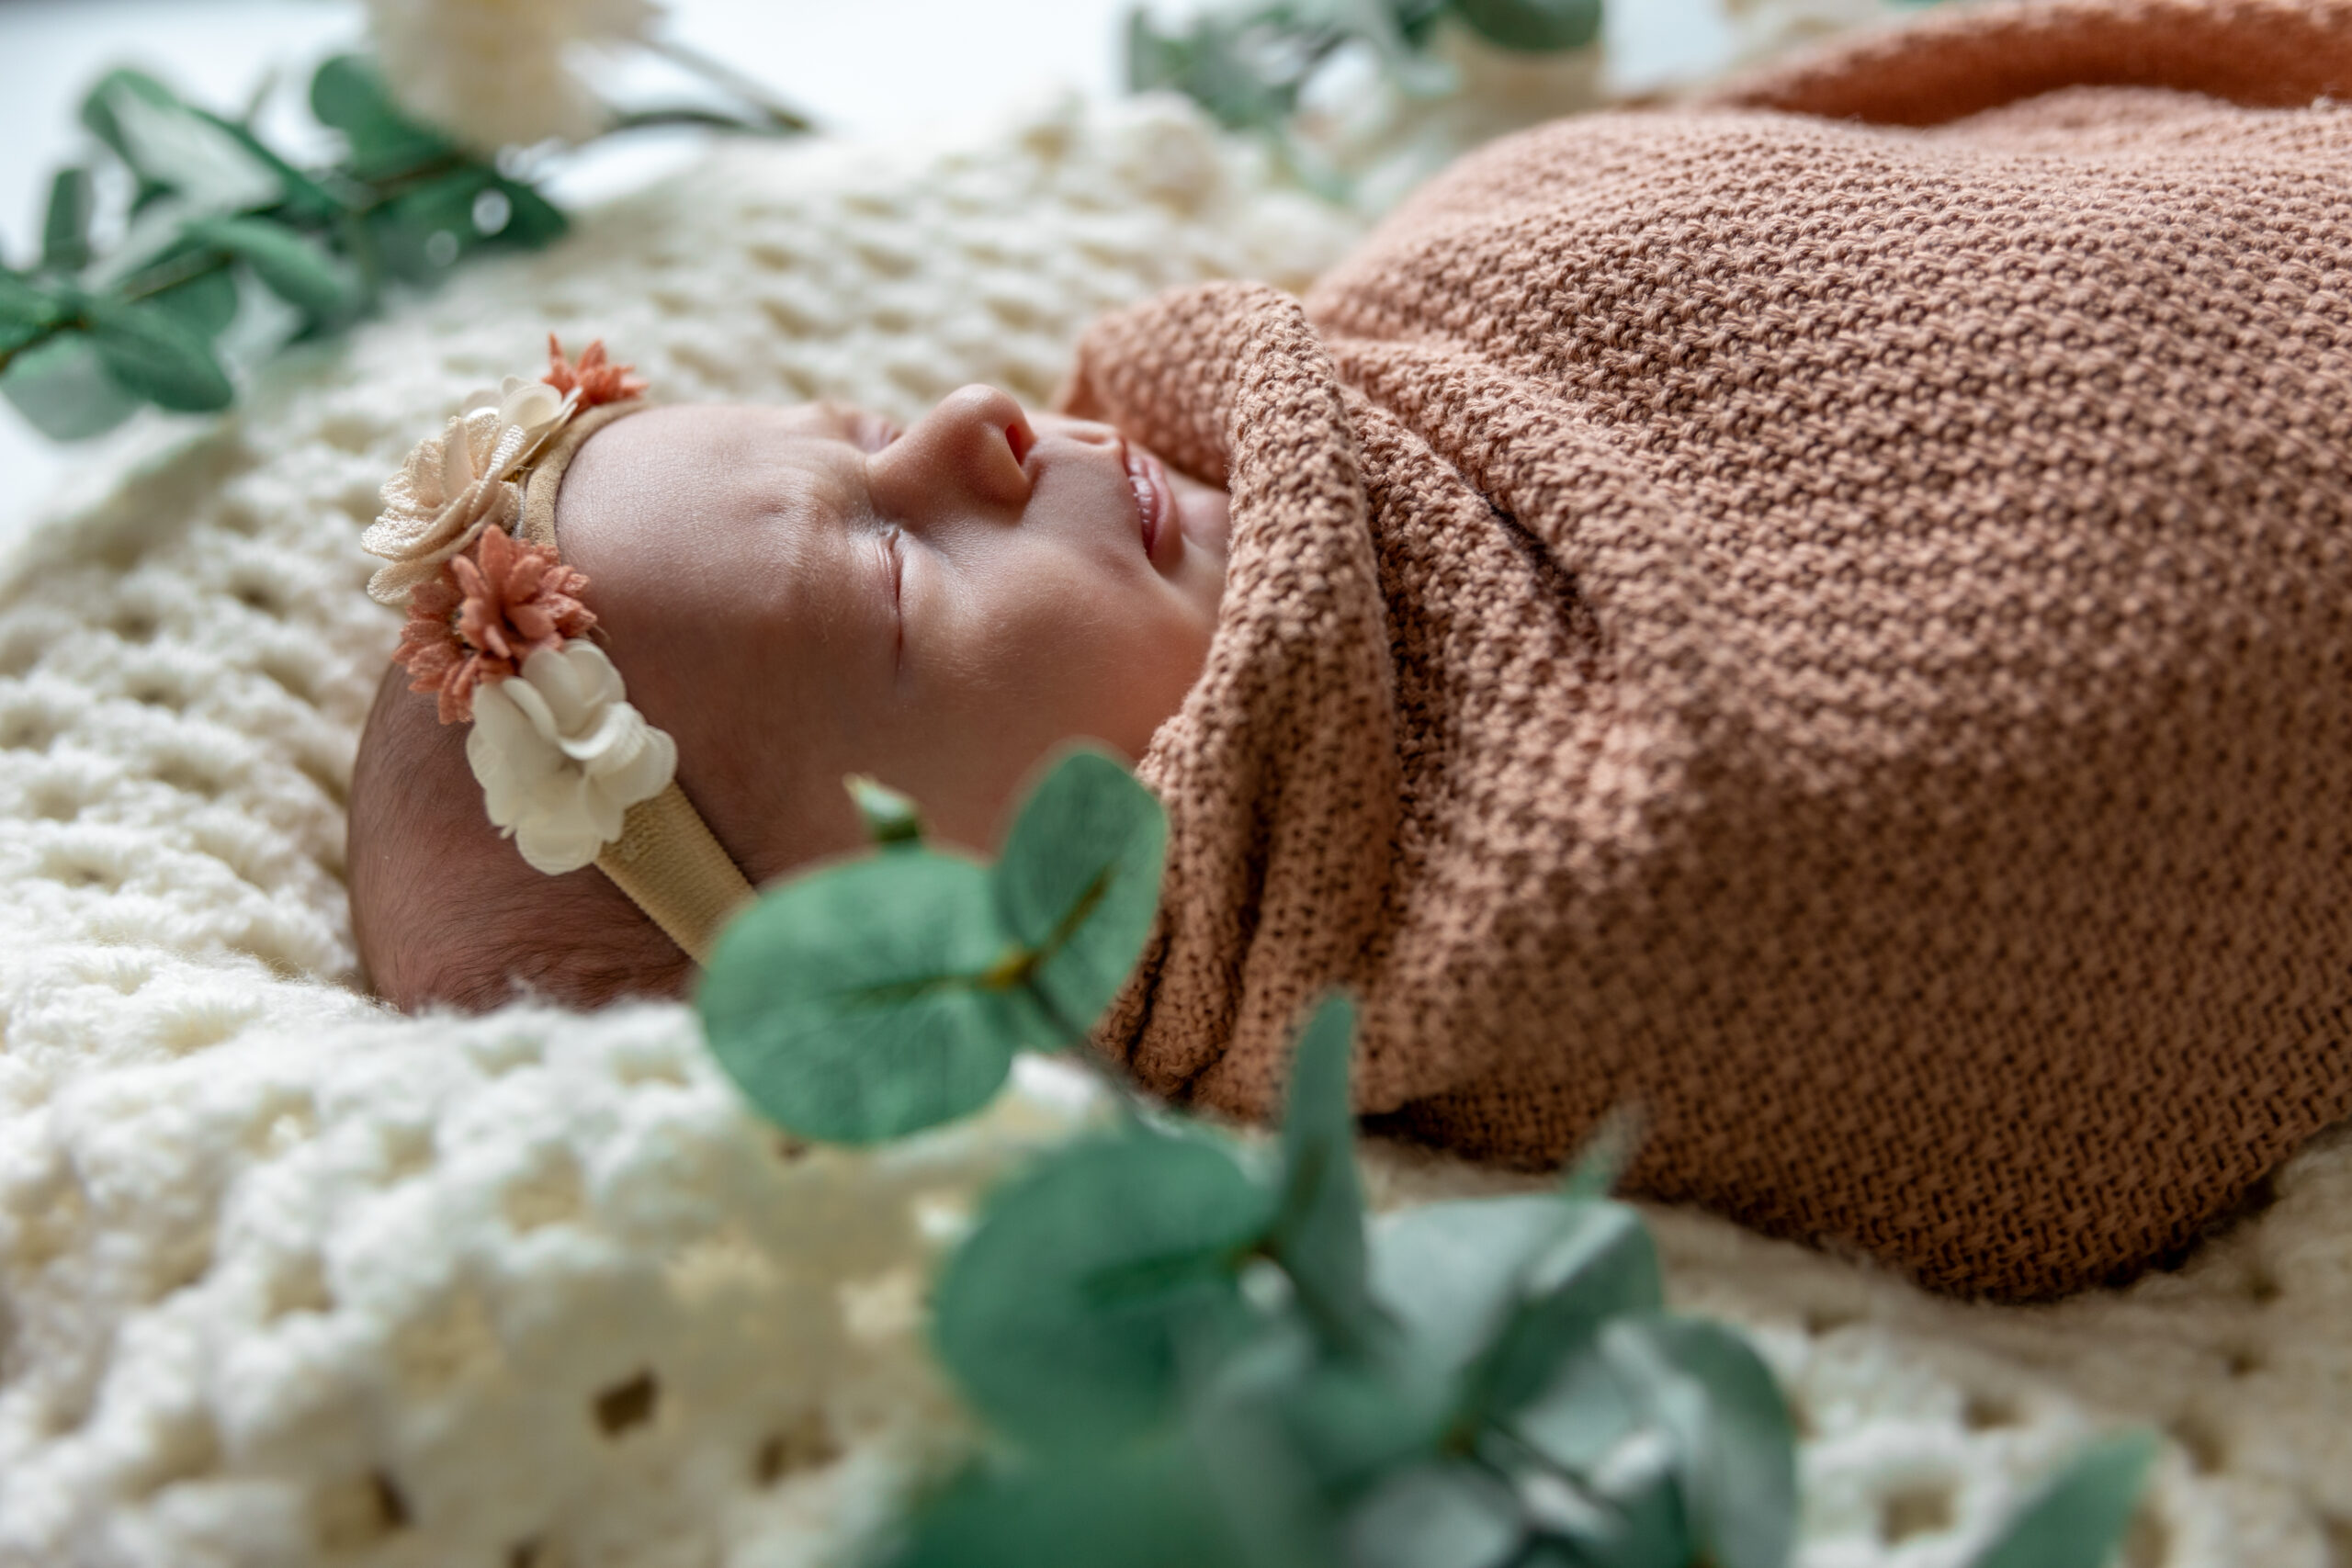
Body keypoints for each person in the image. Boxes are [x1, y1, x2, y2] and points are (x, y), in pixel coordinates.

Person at [350, 0, 2352, 1298]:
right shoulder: (1534, 930)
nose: (972, 425)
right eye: (885, 579)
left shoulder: (1414, 319)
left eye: (864, 431)